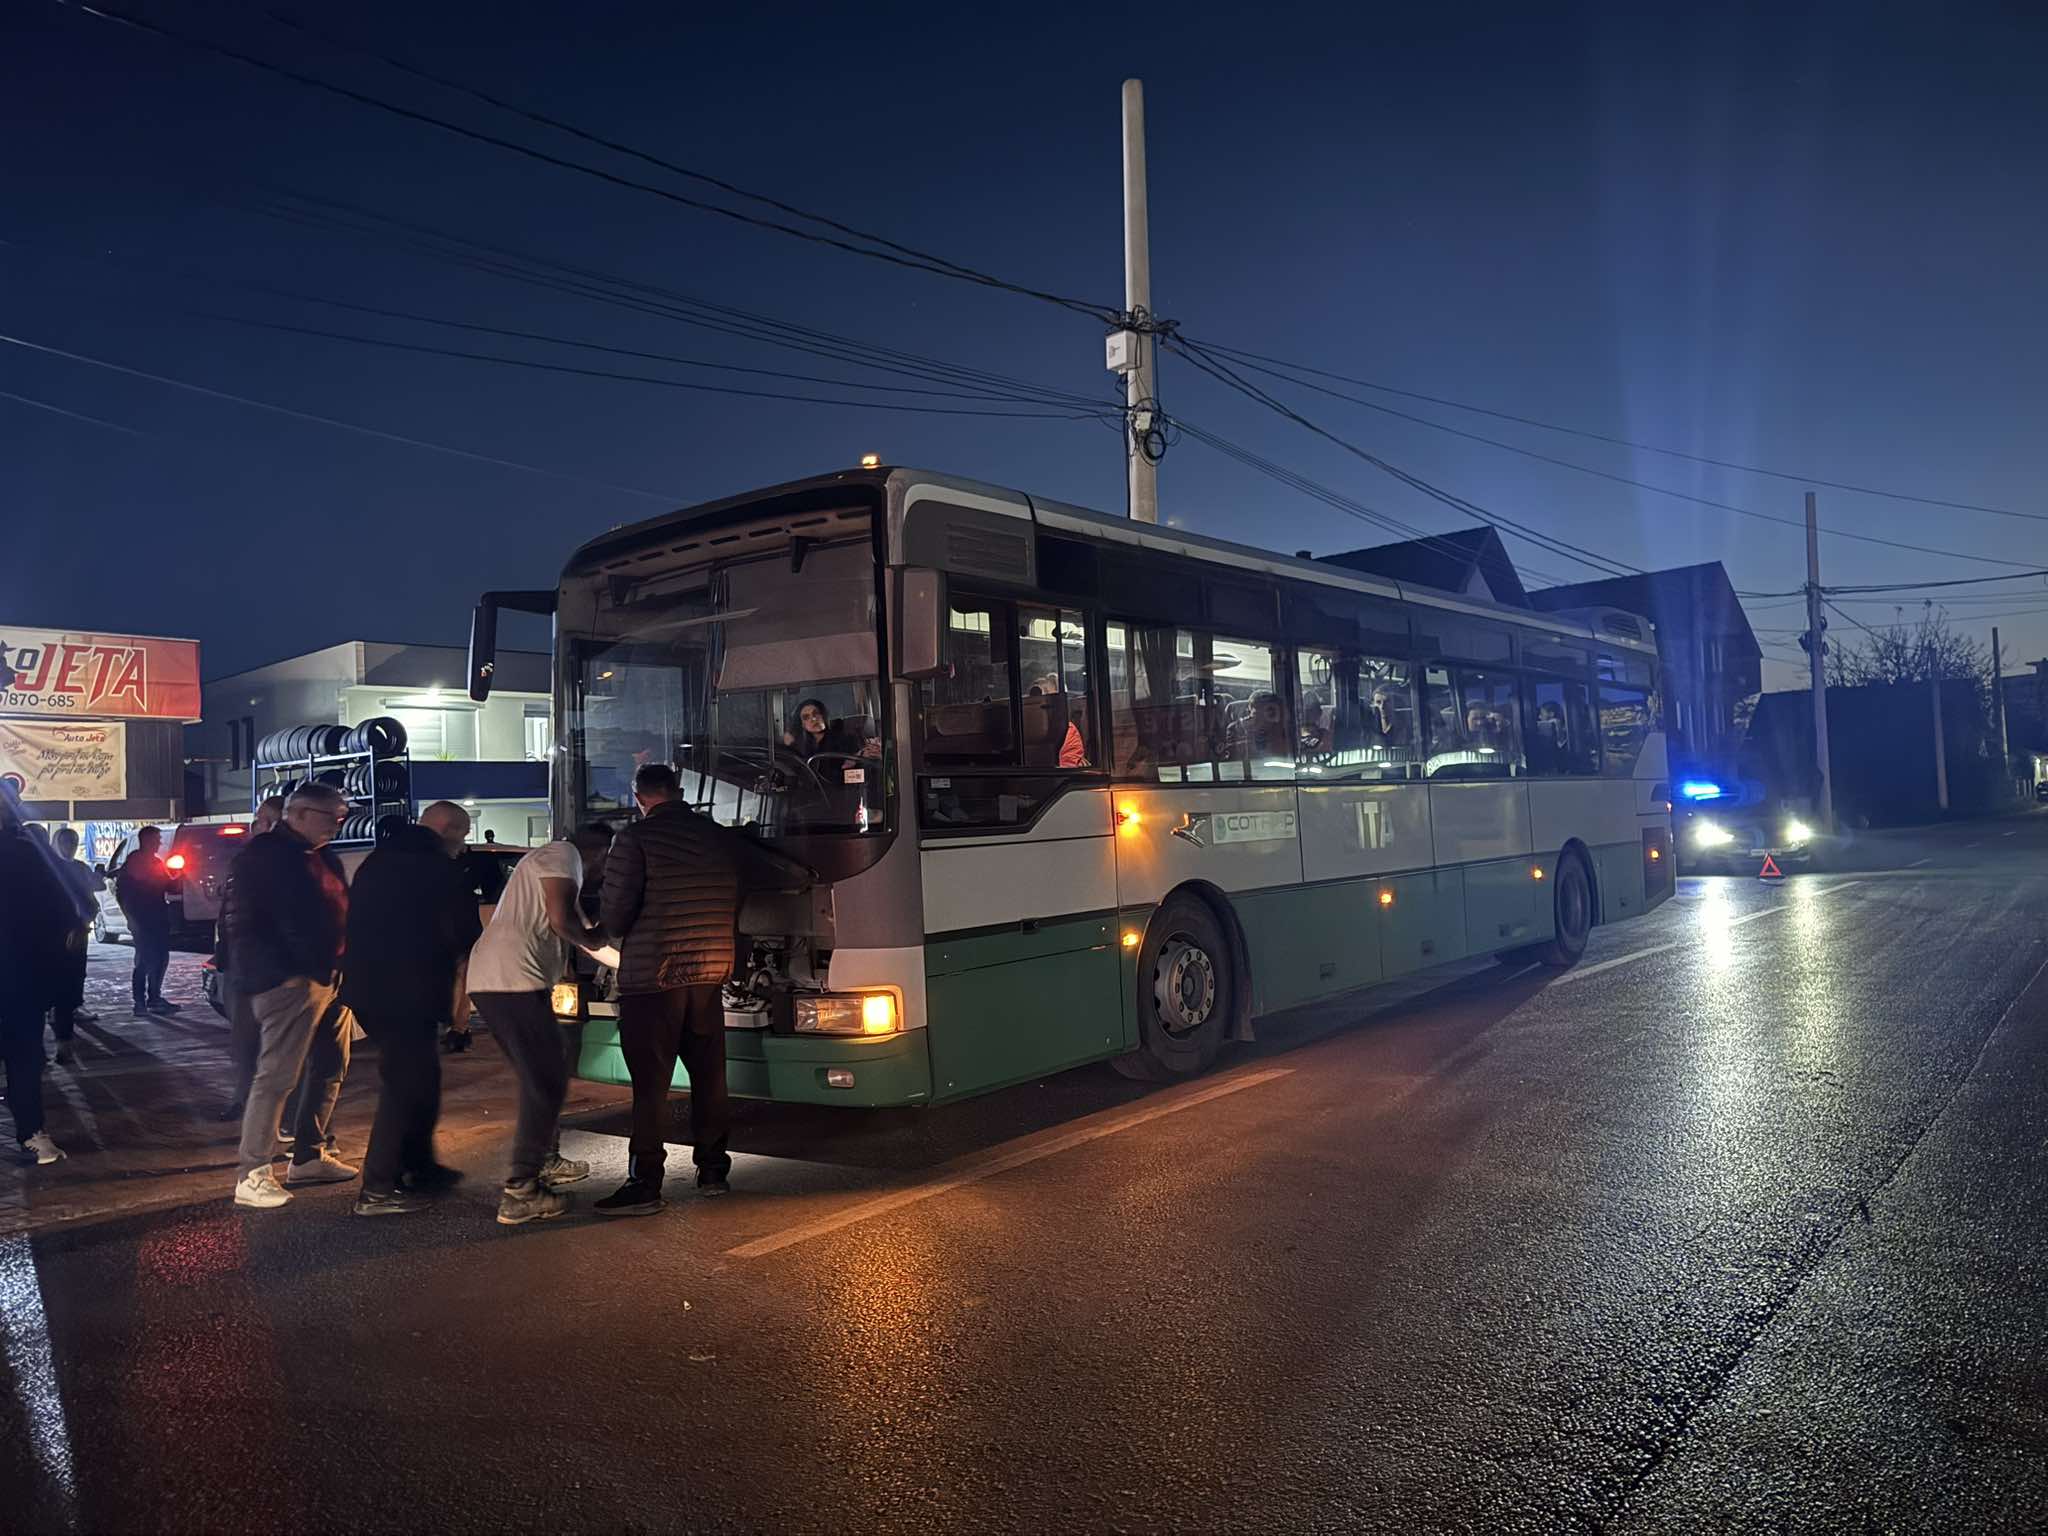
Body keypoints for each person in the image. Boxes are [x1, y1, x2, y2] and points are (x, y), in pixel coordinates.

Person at [595, 762, 791, 1215]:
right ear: (679, 791)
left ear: (639, 796)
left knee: (651, 1084)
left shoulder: (635, 839)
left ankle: (646, 1182)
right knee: (709, 1075)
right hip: (709, 971)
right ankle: (713, 1170)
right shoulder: (715, 835)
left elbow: (617, 913)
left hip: (654, 977)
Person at [468, 823, 620, 1225]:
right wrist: (597, 934)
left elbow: (588, 936)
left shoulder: (561, 866)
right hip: (510, 981)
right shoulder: (561, 855)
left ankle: (544, 1160)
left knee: (545, 1074)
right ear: (602, 851)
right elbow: (564, 925)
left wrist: (627, 962)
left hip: (506, 980)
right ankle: (521, 1190)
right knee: (546, 1079)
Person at [341, 802, 483, 1217]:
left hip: (369, 989)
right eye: (463, 833)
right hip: (411, 991)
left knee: (420, 1078)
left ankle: (420, 1166)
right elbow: (464, 933)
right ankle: (378, 1187)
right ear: (450, 830)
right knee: (405, 1086)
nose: (464, 843)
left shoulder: (377, 861)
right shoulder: (439, 870)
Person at [227, 785, 356, 1209]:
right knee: (277, 1076)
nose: (337, 824)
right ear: (298, 814)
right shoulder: (266, 856)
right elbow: (263, 922)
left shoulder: (320, 854)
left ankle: (309, 1155)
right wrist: (288, 973)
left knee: (330, 1066)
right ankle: (253, 1173)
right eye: (330, 816)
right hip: (289, 980)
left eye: (340, 817)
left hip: (327, 977)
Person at [1, 791, 71, 1164]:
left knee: (25, 1058)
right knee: (24, 1057)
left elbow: (55, 914)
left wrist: (48, 977)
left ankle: (31, 1131)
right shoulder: (27, 855)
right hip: (21, 977)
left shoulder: (27, 855)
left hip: (20, 978)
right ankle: (31, 1132)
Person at [214, 797, 285, 1120]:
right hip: (240, 965)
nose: (254, 825)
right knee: (243, 1043)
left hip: (270, 969)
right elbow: (229, 914)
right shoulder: (244, 860)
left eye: (261, 819)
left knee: (275, 1045)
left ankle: (273, 1112)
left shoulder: (288, 862)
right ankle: (244, 1099)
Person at [47, 828, 102, 1064]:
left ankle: (65, 1031)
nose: (69, 845)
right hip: (58, 933)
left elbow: (95, 890)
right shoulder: (50, 869)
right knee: (60, 983)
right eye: (66, 841)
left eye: (72, 841)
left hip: (76, 931)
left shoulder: (77, 867)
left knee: (73, 976)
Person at [115, 825, 177, 1018]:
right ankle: (140, 1002)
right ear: (147, 841)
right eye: (156, 840)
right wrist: (132, 918)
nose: (159, 843)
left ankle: (154, 997)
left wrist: (178, 877)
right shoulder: (134, 863)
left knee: (160, 958)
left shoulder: (156, 862)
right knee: (145, 959)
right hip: (143, 920)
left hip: (157, 918)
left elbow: (167, 886)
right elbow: (124, 894)